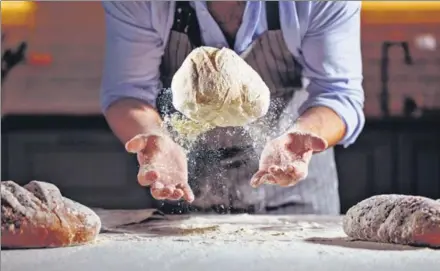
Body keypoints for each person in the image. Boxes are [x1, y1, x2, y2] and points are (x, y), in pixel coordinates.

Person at [100, 1, 365, 215]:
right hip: (184, 191)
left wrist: (302, 136)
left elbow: (337, 94)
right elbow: (128, 92)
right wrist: (154, 137)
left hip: (293, 191)